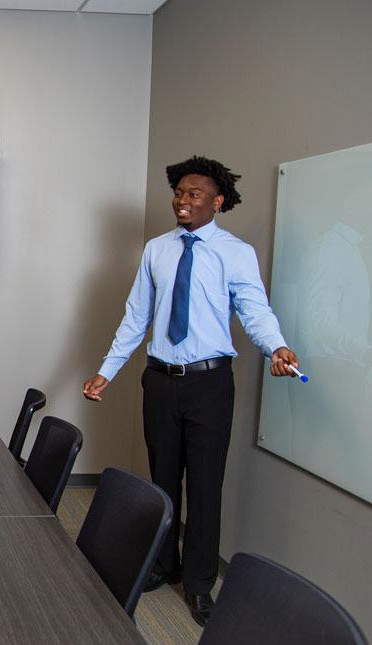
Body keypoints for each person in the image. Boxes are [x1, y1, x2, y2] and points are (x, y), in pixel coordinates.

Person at [81, 156, 299, 627]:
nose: (182, 200)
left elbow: (254, 310)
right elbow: (136, 315)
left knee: (204, 485)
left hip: (209, 383)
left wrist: (275, 346)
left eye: (193, 193)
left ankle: (199, 585)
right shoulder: (157, 249)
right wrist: (108, 370)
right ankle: (164, 564)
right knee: (163, 477)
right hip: (159, 380)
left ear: (217, 202)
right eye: (178, 192)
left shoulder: (235, 252)